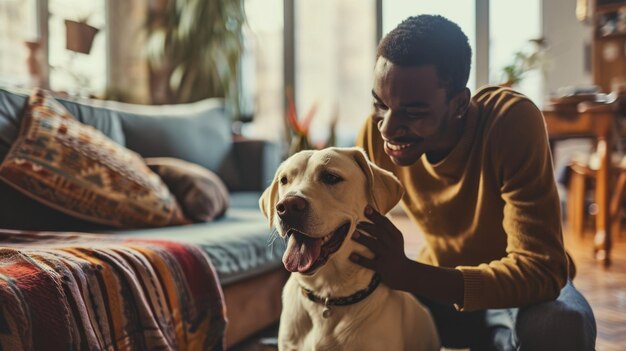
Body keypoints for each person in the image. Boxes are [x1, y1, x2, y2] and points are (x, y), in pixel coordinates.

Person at [350, 14, 596, 350]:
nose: (388, 128)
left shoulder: (510, 122)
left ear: (459, 104)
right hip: (438, 294)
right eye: (380, 104)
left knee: (560, 324)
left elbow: (542, 271)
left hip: (517, 296)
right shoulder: (376, 134)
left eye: (414, 112)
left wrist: (411, 274)